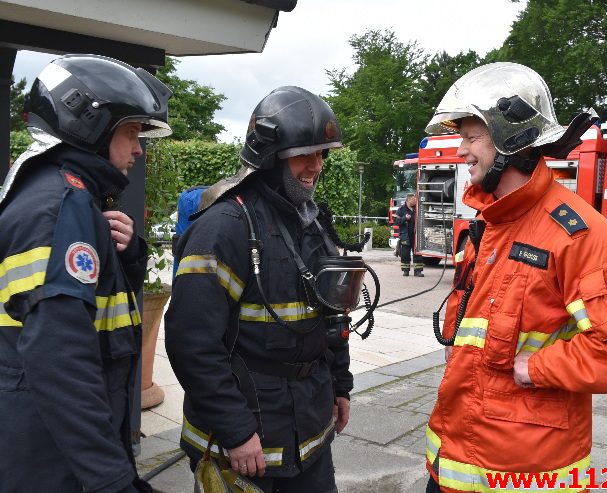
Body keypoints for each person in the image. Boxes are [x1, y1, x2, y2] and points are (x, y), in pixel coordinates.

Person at [422, 63, 607, 493]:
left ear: (509, 142)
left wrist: (537, 367)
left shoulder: (574, 233)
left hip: (522, 470)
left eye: (471, 137)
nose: (460, 150)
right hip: (454, 459)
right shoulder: (490, 223)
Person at [165, 86, 352, 493]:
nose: (317, 166)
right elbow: (191, 342)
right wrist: (234, 429)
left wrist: (341, 385)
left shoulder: (313, 223)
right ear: (270, 157)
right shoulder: (224, 227)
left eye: (322, 154)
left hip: (311, 431)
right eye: (306, 153)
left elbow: (331, 315)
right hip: (246, 444)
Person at [0, 54, 172, 492]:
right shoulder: (64, 205)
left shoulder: (54, 195)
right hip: (50, 459)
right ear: (89, 125)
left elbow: (91, 315)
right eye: (132, 132)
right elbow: (59, 356)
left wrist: (129, 256)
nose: (138, 148)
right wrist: (112, 480)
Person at [395, 193, 424, 277]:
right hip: (405, 235)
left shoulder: (418, 209)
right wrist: (404, 218)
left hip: (416, 235)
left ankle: (418, 271)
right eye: (413, 199)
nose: (415, 200)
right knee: (405, 254)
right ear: (408, 200)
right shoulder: (401, 209)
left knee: (417, 253)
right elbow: (396, 221)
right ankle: (405, 271)